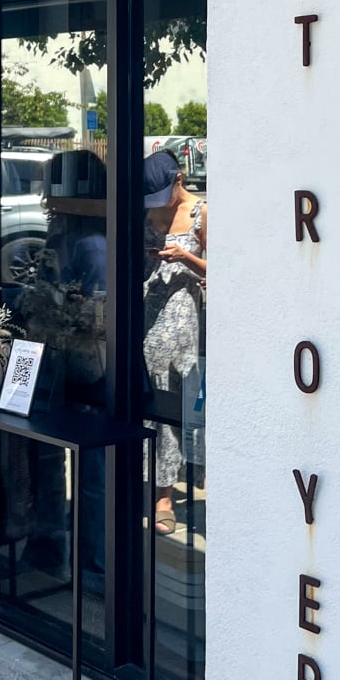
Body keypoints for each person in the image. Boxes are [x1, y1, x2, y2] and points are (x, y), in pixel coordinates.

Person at [142, 149, 207, 534]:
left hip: (181, 319)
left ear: (179, 180)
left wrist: (184, 256)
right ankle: (141, 482)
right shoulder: (149, 210)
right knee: (144, 402)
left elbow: (224, 267)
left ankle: (164, 493)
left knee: (169, 405)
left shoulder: (202, 214)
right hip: (146, 313)